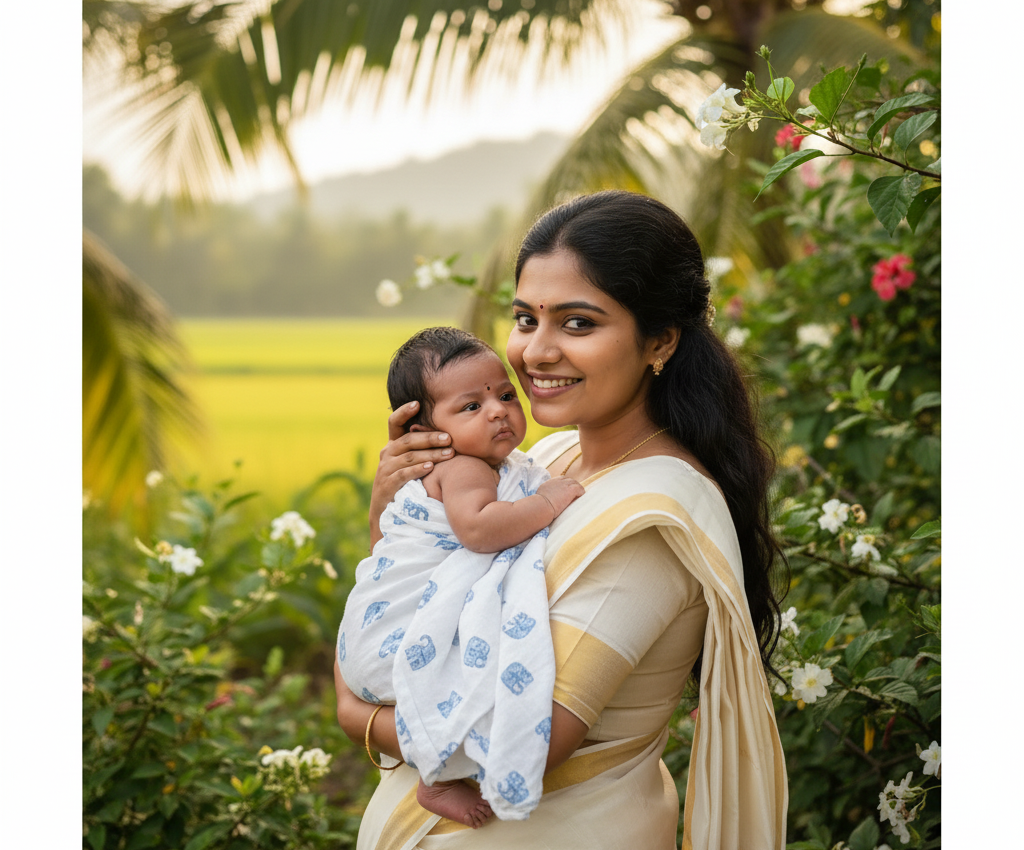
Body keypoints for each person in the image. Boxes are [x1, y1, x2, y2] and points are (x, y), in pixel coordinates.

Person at [334, 190, 789, 850]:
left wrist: (355, 712)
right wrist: (393, 510)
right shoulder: (546, 461)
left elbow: (524, 736)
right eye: (526, 319)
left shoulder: (650, 518)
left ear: (660, 340)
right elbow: (414, 593)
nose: (536, 352)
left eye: (577, 323)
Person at [336, 326, 585, 829]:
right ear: (426, 432)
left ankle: (435, 773)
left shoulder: (496, 464)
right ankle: (438, 778)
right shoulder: (464, 467)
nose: (497, 410)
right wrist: (547, 502)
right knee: (454, 685)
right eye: (471, 406)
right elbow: (478, 529)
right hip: (396, 635)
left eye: (505, 395)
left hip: (369, 639)